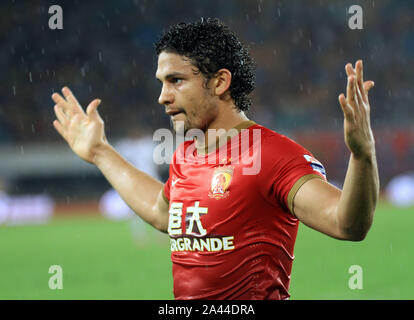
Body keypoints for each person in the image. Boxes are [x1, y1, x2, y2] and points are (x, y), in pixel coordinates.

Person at [51, 18, 379, 300]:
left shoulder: (271, 155)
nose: (162, 96)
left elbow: (345, 223)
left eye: (176, 80)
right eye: (162, 83)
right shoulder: (186, 156)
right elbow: (161, 212)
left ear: (220, 82)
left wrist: (362, 156)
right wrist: (99, 151)